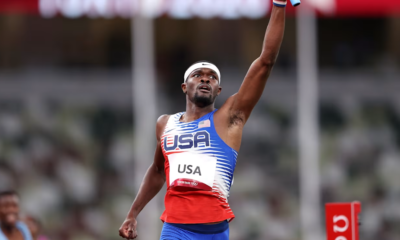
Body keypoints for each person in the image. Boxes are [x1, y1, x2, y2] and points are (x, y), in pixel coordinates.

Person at [119, 0, 287, 239]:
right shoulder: (165, 124)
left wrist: (279, 5)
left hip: (215, 231)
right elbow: (158, 171)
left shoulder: (230, 118)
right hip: (175, 229)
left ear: (219, 91)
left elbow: (265, 61)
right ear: (184, 87)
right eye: (198, 75)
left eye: (212, 77)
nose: (206, 79)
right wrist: (133, 213)